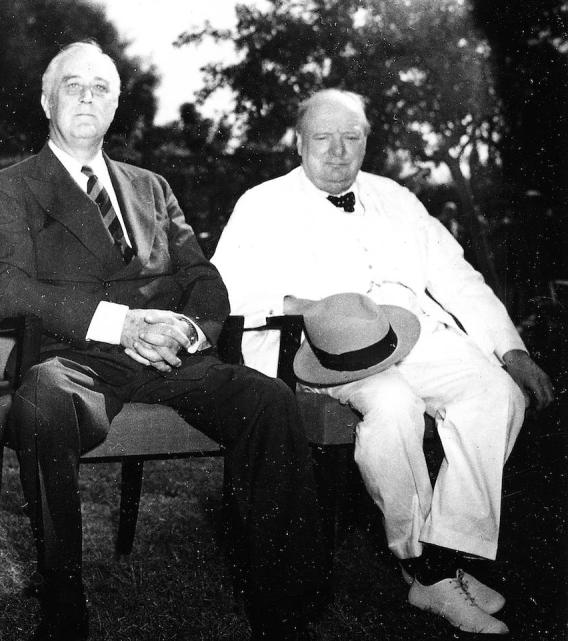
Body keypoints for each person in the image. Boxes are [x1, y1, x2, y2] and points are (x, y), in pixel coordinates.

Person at [0, 41, 329, 641]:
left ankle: (285, 612)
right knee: (43, 401)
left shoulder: (150, 186)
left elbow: (201, 278)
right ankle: (64, 603)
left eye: (101, 88)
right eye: (72, 86)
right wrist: (121, 324)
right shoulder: (11, 188)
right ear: (45, 101)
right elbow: (1, 289)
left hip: (169, 355)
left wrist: (189, 329)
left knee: (268, 401)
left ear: (116, 105)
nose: (87, 97)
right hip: (76, 357)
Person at [212, 88, 555, 635]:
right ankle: (426, 566)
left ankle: (441, 562)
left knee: (497, 392)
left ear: (366, 142)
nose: (337, 152)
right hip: (318, 352)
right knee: (394, 407)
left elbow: (458, 277)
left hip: (412, 337)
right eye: (323, 138)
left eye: (351, 138)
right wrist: (303, 306)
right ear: (299, 143)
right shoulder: (262, 203)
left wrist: (512, 350)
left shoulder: (396, 196)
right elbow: (222, 293)